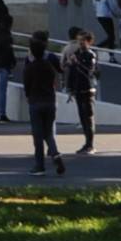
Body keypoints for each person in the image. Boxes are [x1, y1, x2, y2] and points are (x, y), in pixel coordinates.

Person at [23, 30, 66, 175]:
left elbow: (26, 84)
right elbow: (59, 71)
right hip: (50, 100)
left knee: (37, 135)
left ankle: (39, 165)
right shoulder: (49, 64)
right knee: (48, 132)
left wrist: (28, 96)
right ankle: (55, 153)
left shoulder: (29, 66)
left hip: (35, 101)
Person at [65, 28, 98, 156]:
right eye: (79, 41)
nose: (80, 44)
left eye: (83, 41)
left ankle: (90, 144)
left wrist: (77, 63)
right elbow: (71, 71)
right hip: (78, 88)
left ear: (89, 42)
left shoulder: (91, 55)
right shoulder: (76, 53)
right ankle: (86, 142)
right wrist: (70, 88)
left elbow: (89, 71)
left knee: (88, 116)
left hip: (88, 88)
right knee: (82, 117)